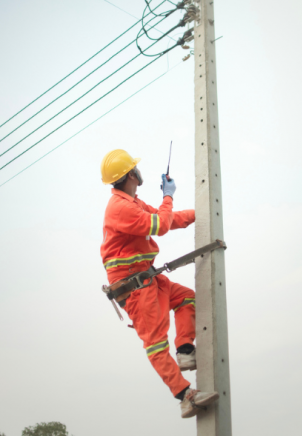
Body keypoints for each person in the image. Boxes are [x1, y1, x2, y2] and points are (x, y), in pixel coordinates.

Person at [100, 149, 220, 418]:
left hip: (147, 280)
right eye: (136, 168)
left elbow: (169, 218)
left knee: (188, 298)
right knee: (155, 344)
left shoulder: (131, 202)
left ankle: (186, 350)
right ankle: (185, 396)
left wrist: (202, 212)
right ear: (132, 174)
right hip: (135, 289)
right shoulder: (120, 208)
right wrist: (168, 195)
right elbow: (161, 225)